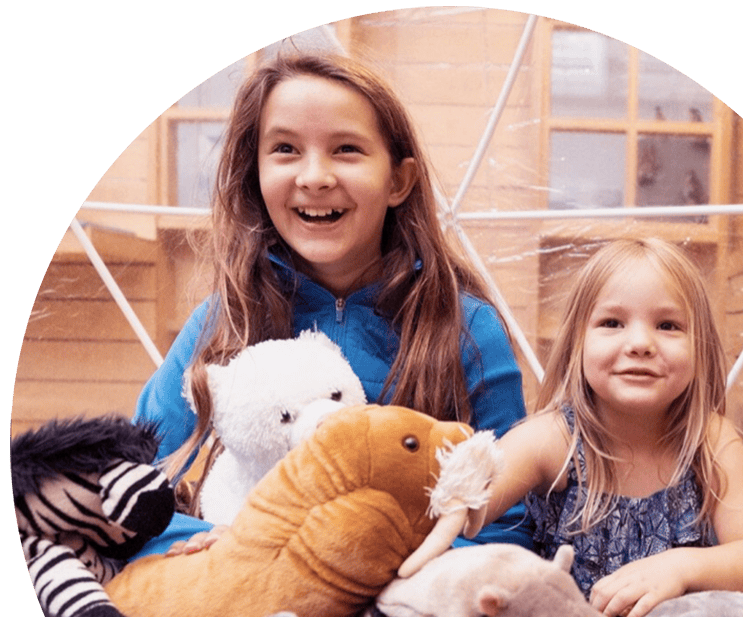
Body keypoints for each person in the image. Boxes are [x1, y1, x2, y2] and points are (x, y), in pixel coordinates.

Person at [131, 51, 531, 558]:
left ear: (398, 181)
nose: (314, 176)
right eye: (285, 149)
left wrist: (380, 567)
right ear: (253, 173)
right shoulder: (222, 320)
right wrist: (220, 550)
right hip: (245, 598)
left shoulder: (467, 328)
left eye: (346, 149)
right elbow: (128, 485)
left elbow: (508, 524)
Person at [463, 237, 743, 617]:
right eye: (612, 323)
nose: (640, 343)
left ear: (701, 349)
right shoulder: (552, 439)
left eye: (668, 325)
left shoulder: (711, 442)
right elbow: (462, 506)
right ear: (576, 344)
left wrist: (681, 567)